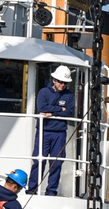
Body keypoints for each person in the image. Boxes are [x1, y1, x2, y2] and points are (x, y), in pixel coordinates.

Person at [28, 65, 76, 196]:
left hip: (59, 133)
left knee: (56, 163)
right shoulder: (44, 92)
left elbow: (70, 112)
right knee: (39, 161)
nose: (62, 84)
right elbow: (41, 108)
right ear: (54, 79)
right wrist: (61, 110)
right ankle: (32, 190)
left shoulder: (69, 96)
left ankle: (51, 192)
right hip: (44, 131)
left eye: (65, 82)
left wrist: (51, 112)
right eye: (60, 81)